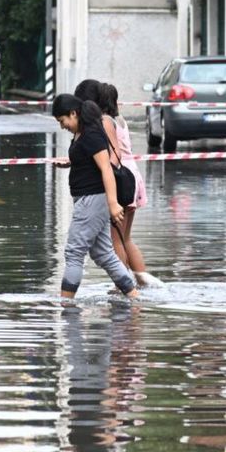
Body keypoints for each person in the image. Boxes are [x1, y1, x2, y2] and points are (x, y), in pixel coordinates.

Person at [73, 79, 162, 288]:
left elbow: (112, 156)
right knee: (126, 238)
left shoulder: (104, 122)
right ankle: (144, 284)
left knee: (116, 241)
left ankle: (122, 287)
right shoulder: (118, 119)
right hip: (132, 177)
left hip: (121, 180)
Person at [52, 94, 139, 299]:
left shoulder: (91, 134)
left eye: (62, 121)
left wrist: (113, 203)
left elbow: (106, 169)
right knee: (104, 254)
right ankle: (133, 295)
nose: (62, 126)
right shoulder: (82, 133)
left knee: (74, 253)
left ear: (73, 113)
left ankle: (65, 304)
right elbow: (90, 161)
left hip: (92, 200)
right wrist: (72, 162)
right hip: (90, 199)